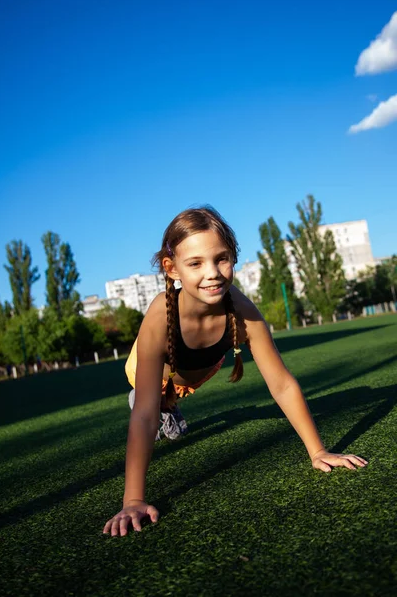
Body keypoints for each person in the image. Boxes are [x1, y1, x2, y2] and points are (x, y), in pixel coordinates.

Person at [103, 206, 368, 537]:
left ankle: (170, 403)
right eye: (196, 263)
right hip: (150, 371)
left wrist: (318, 451)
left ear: (233, 257)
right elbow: (142, 415)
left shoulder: (241, 309)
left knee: (173, 395)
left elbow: (282, 384)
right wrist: (133, 500)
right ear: (172, 269)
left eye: (221, 258)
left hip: (201, 370)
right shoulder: (160, 317)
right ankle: (166, 406)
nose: (212, 272)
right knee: (152, 406)